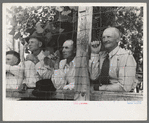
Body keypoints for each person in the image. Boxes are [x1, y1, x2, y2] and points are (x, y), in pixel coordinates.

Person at [89, 27, 137, 92]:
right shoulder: (101, 55)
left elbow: (125, 87)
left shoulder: (126, 57)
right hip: (100, 97)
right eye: (103, 37)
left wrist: (98, 87)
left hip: (121, 98)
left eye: (109, 37)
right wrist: (94, 53)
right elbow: (93, 77)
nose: (105, 40)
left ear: (117, 39)